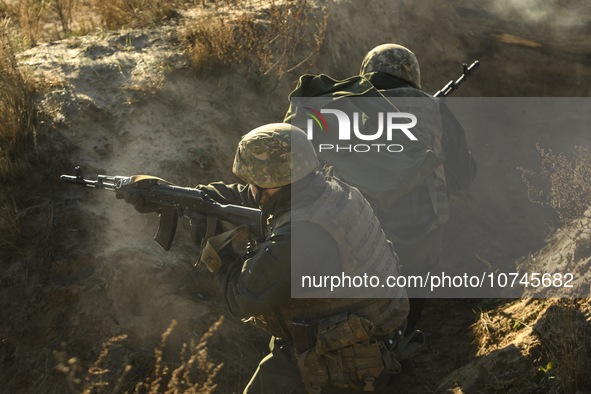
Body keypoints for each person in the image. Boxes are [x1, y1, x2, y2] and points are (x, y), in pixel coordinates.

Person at [126, 123, 410, 393]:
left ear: (277, 182)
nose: (252, 190)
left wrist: (213, 245)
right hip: (373, 333)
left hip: (352, 358)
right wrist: (185, 196)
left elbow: (242, 298)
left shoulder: (303, 234)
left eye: (257, 183)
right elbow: (247, 198)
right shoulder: (324, 190)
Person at [285, 44, 477, 335]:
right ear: (411, 76)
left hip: (353, 230)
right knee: (409, 301)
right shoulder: (434, 108)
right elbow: (464, 175)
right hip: (420, 232)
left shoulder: (341, 105)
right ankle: (402, 344)